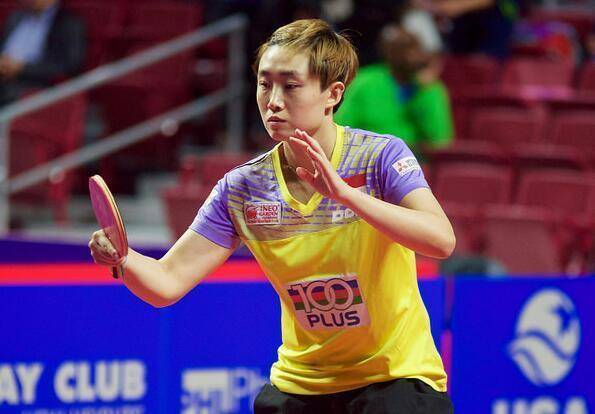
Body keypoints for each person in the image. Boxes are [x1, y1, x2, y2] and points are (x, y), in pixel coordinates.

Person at [89, 19, 455, 413]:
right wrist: (124, 259)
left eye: (291, 86)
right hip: (301, 386)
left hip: (394, 378)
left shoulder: (379, 157)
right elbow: (167, 282)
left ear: (333, 94)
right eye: (265, 84)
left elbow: (440, 240)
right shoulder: (243, 188)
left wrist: (345, 195)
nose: (274, 101)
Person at [335, 24, 453, 154]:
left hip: (414, 158)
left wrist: (425, 91)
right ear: (388, 52)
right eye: (402, 49)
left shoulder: (429, 87)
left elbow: (440, 140)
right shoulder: (364, 82)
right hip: (368, 155)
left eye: (413, 48)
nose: (409, 55)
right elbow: (341, 127)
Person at [0, 0, 86, 106]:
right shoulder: (16, 16)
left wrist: (22, 68)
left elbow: (69, 66)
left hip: (33, 82)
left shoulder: (69, 24)